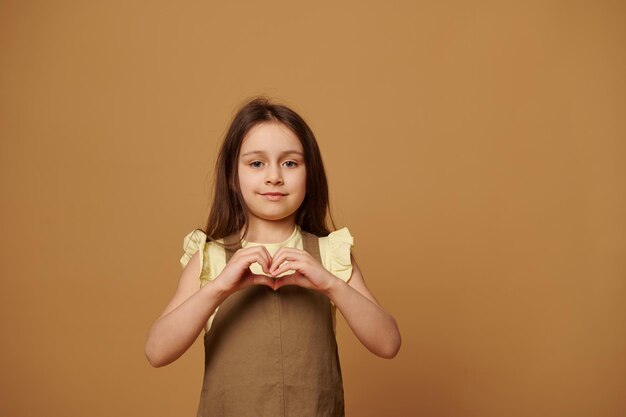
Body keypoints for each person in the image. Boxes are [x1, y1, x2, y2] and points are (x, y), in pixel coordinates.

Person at [145, 97, 401, 417]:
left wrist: (331, 283)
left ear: (310, 174)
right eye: (256, 163)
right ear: (231, 177)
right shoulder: (210, 256)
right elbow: (157, 351)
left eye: (290, 163)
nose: (274, 177)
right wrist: (220, 287)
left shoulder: (329, 253)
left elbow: (388, 343)